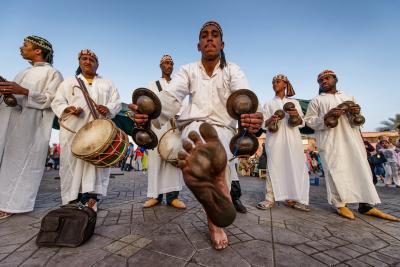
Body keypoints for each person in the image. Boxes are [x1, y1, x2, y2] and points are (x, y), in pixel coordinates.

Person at [129, 21, 263, 250]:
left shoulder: (233, 70)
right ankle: (216, 205)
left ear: (222, 43)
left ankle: (214, 183)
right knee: (202, 143)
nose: (209, 38)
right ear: (198, 45)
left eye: (214, 35)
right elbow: (172, 97)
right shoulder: (188, 70)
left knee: (215, 148)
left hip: (223, 127)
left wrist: (252, 116)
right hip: (194, 126)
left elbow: (243, 96)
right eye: (204, 36)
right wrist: (149, 112)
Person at [304, 70, 399, 221]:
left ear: (335, 79)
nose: (324, 81)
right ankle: (340, 204)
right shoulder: (316, 100)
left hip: (352, 139)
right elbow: (309, 121)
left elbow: (357, 121)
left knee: (360, 169)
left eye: (327, 78)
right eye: (320, 80)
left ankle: (365, 205)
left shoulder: (348, 97)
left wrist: (356, 112)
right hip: (330, 141)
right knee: (335, 171)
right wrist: (327, 116)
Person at [0, 36, 63, 220]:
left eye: (25, 45)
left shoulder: (53, 73)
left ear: (38, 51)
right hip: (9, 120)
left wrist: (24, 91)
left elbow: (51, 99)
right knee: (6, 160)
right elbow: (13, 96)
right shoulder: (22, 72)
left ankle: (13, 204)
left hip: (31, 125)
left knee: (20, 163)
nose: (21, 48)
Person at [51, 49, 121, 212]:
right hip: (74, 131)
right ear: (79, 62)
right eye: (84, 59)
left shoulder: (107, 83)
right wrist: (68, 108)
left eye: (91, 59)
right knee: (72, 164)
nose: (87, 61)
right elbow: (57, 102)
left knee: (95, 164)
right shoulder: (69, 82)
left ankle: (91, 198)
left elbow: (116, 102)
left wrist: (108, 108)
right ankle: (71, 198)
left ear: (97, 64)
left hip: (99, 133)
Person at [257, 74, 310, 211]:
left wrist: (295, 115)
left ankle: (296, 198)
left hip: (293, 140)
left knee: (297, 167)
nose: (275, 84)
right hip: (275, 140)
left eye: (278, 82)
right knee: (273, 167)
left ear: (285, 84)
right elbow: (264, 124)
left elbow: (301, 122)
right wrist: (272, 119)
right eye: (273, 82)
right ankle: (269, 198)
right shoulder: (268, 103)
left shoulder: (295, 103)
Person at [143, 55, 186, 209]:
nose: (169, 65)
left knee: (173, 158)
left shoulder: (178, 84)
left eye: (171, 63)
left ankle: (173, 197)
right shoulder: (151, 85)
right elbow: (146, 104)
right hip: (157, 126)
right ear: (160, 66)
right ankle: (155, 196)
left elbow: (182, 104)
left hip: (174, 126)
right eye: (166, 63)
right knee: (156, 160)